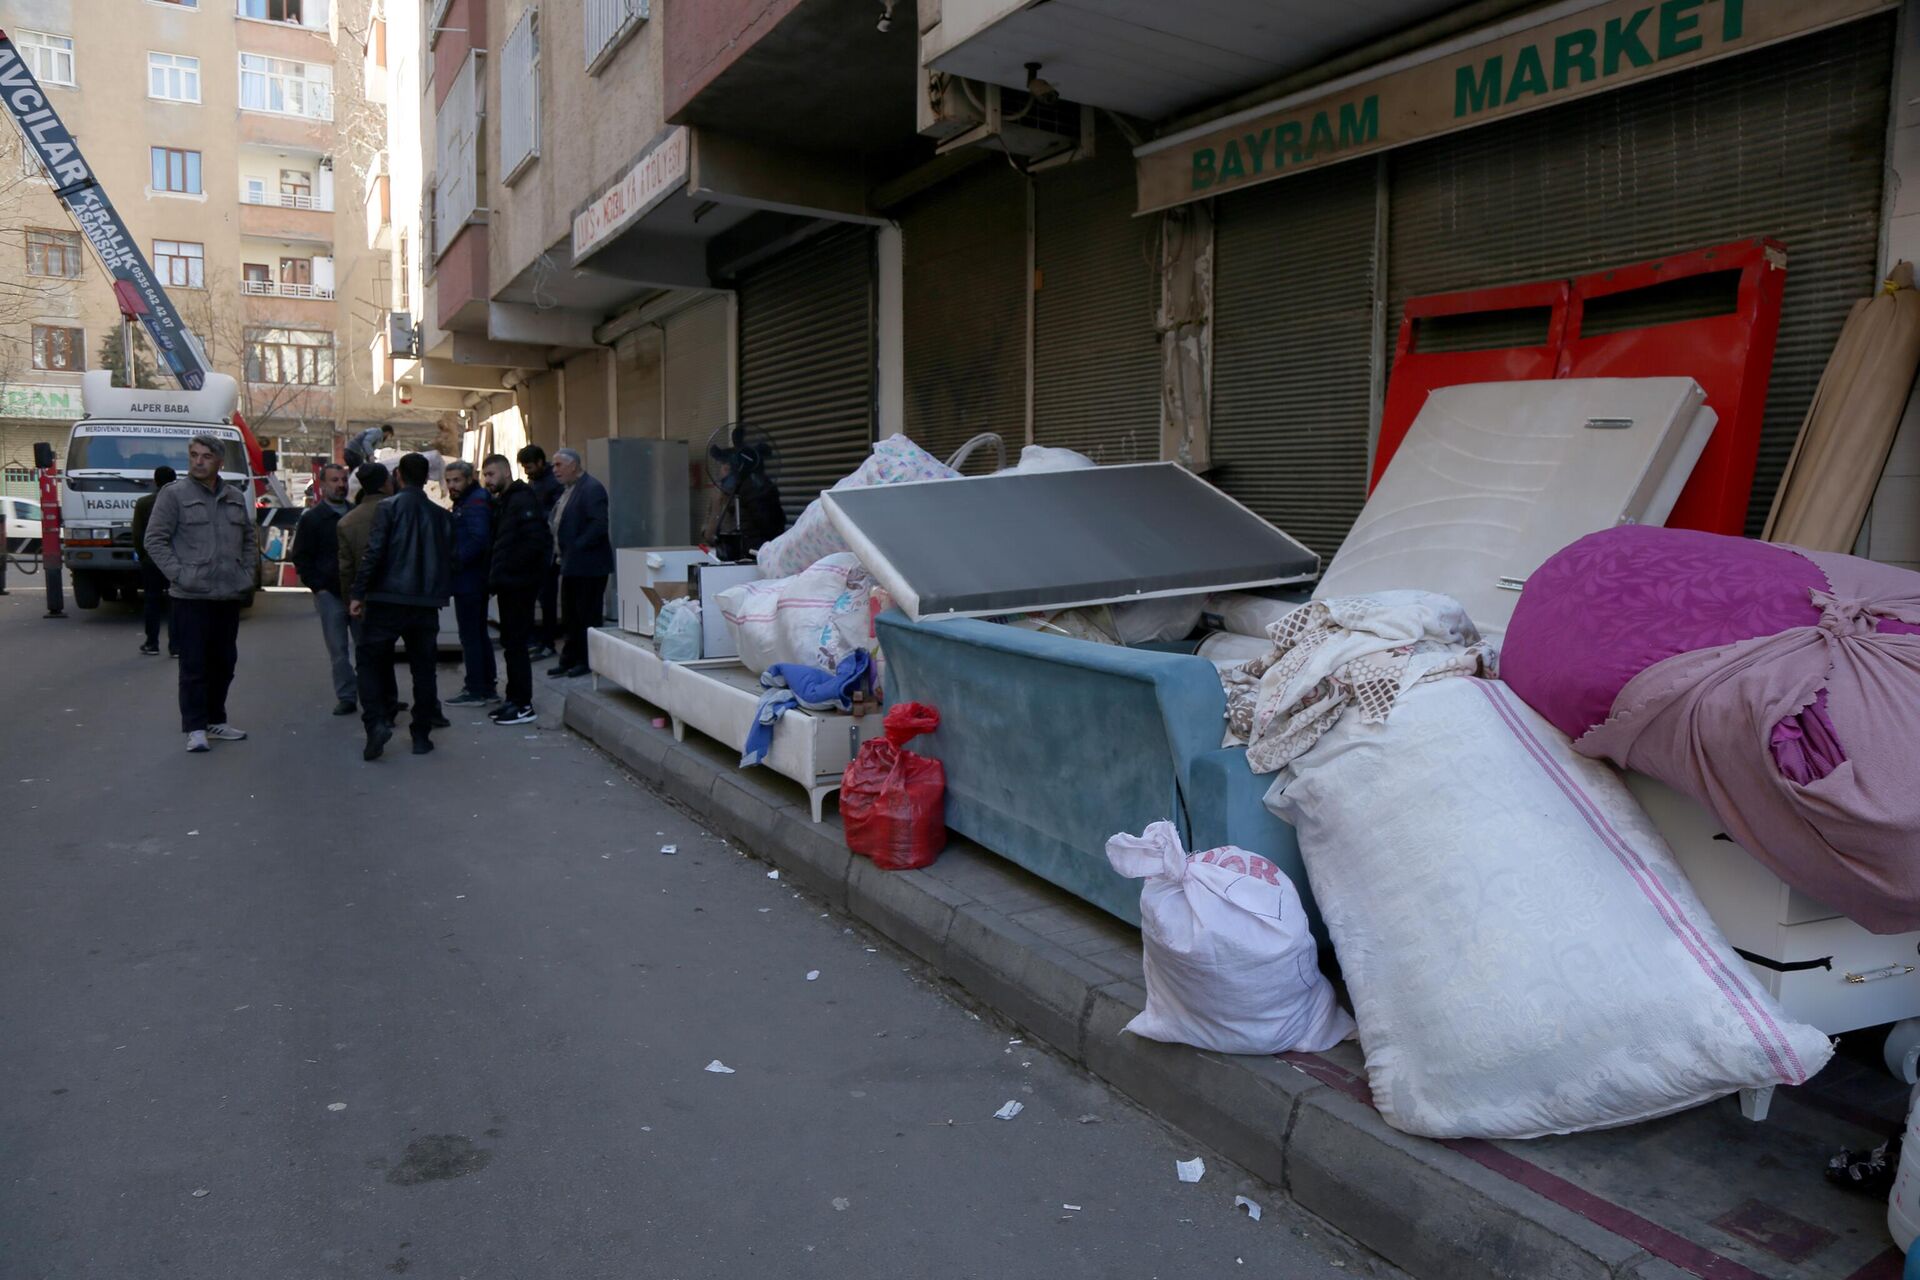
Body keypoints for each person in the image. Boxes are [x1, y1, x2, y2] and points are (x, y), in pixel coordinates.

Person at [143, 434, 256, 753]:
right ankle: (195, 727)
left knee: (224, 662)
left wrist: (246, 573)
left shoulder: (234, 496)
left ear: (220, 461)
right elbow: (154, 540)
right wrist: (180, 575)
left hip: (227, 593)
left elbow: (249, 539)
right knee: (194, 664)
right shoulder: (174, 495)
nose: (198, 461)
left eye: (206, 456)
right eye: (193, 455)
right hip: (191, 596)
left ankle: (215, 719)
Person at [349, 452, 453, 761]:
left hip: (387, 599)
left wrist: (358, 592)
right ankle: (421, 734)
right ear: (426, 479)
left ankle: (376, 723)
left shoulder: (388, 508)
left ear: (399, 477)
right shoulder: (441, 516)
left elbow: (374, 552)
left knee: (369, 662)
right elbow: (451, 559)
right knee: (424, 670)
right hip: (424, 603)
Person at [482, 453, 551, 726]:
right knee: (511, 645)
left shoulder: (521, 500)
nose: (487, 480)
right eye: (485, 475)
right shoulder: (506, 501)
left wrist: (512, 574)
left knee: (517, 645)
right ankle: (513, 699)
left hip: (519, 585)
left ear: (505, 473)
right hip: (510, 584)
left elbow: (533, 544)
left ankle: (523, 704)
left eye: (491, 475)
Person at [292, 462, 357, 715]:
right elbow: (302, 557)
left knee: (365, 647)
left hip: (357, 592)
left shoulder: (355, 514)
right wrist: (318, 587)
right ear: (322, 484)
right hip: (330, 594)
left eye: (343, 479)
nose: (340, 485)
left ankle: (375, 694)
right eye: (334, 480)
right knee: (339, 650)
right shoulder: (313, 519)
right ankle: (347, 696)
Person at [338, 462, 400, 723]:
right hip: (399, 595)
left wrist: (351, 600)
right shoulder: (398, 511)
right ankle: (392, 705)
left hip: (365, 599)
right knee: (389, 656)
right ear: (385, 483)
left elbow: (346, 569)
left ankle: (376, 714)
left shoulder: (348, 521)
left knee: (368, 658)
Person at [548, 448, 613, 679]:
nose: (554, 470)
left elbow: (598, 525)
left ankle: (586, 661)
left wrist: (576, 546)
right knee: (570, 616)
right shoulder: (568, 490)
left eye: (558, 465)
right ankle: (569, 658)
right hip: (570, 564)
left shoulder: (591, 488)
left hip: (588, 566)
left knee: (587, 616)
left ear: (573, 465)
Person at [444, 460, 498, 707]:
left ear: (468, 479)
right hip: (471, 578)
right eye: (449, 481)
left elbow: (478, 540)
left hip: (471, 579)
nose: (452, 485)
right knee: (476, 633)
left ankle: (476, 688)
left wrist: (455, 562)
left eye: (456, 480)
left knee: (471, 635)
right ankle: (485, 685)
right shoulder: (468, 500)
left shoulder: (475, 502)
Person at [518, 444, 562, 660]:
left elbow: (554, 515)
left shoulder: (552, 483)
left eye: (529, 467)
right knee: (540, 598)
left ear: (540, 462)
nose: (527, 472)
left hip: (549, 551)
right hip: (538, 549)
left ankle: (548, 642)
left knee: (547, 599)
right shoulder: (537, 482)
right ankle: (542, 640)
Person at [129, 465, 178, 656]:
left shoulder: (144, 503)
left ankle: (152, 643)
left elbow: (138, 534)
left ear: (155, 481)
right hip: (176, 560)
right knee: (176, 602)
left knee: (152, 601)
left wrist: (144, 556)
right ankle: (176, 646)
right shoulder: (181, 503)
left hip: (152, 560)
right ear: (175, 480)